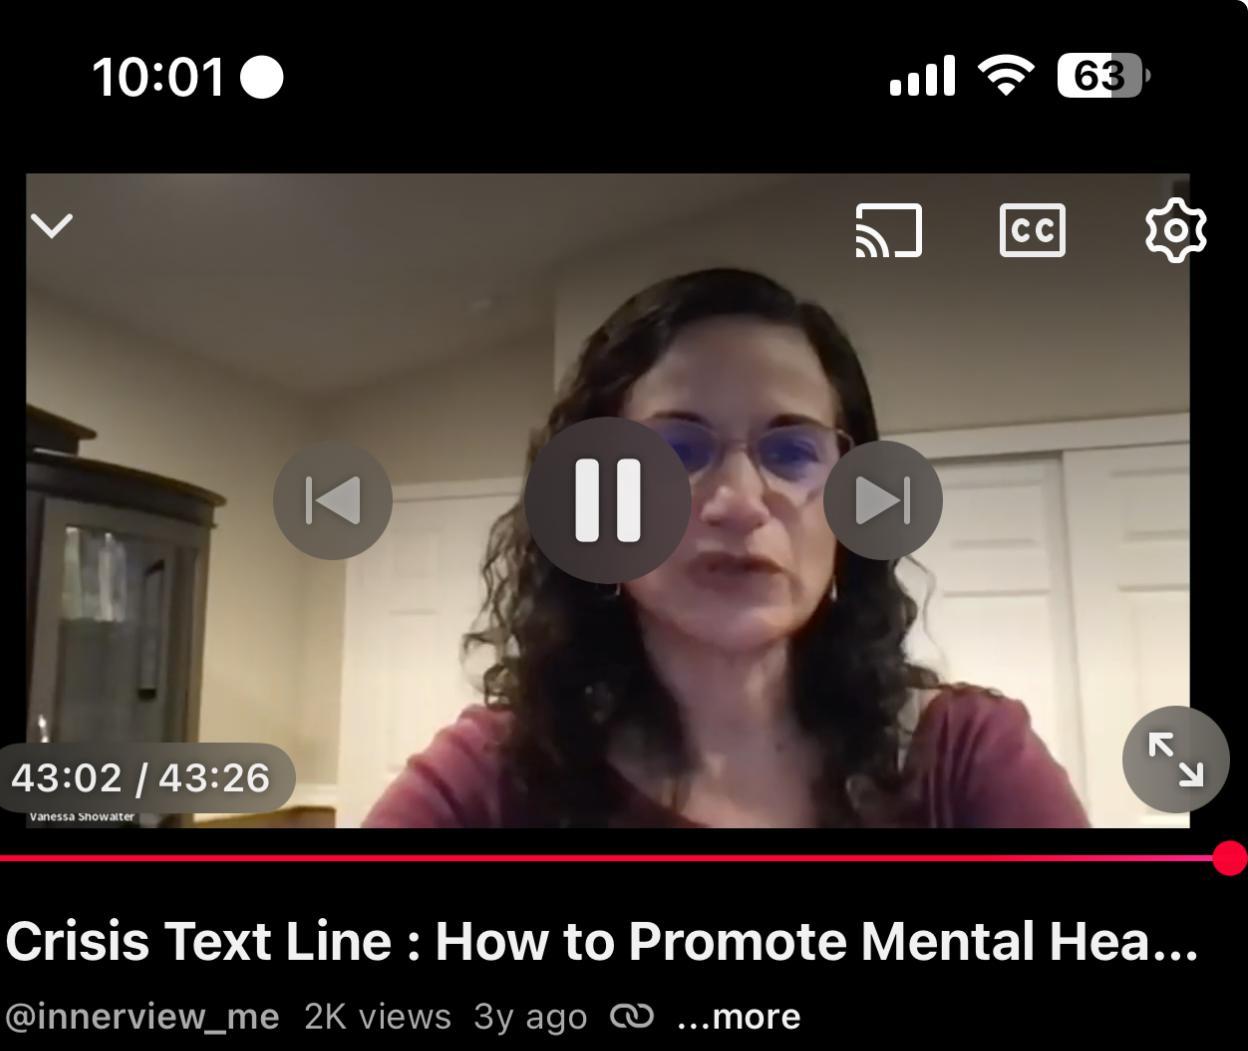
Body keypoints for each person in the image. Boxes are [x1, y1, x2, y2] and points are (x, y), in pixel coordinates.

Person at [364, 268, 1088, 829]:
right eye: (677, 449)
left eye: (793, 451)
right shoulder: (493, 778)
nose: (739, 501)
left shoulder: (967, 759)